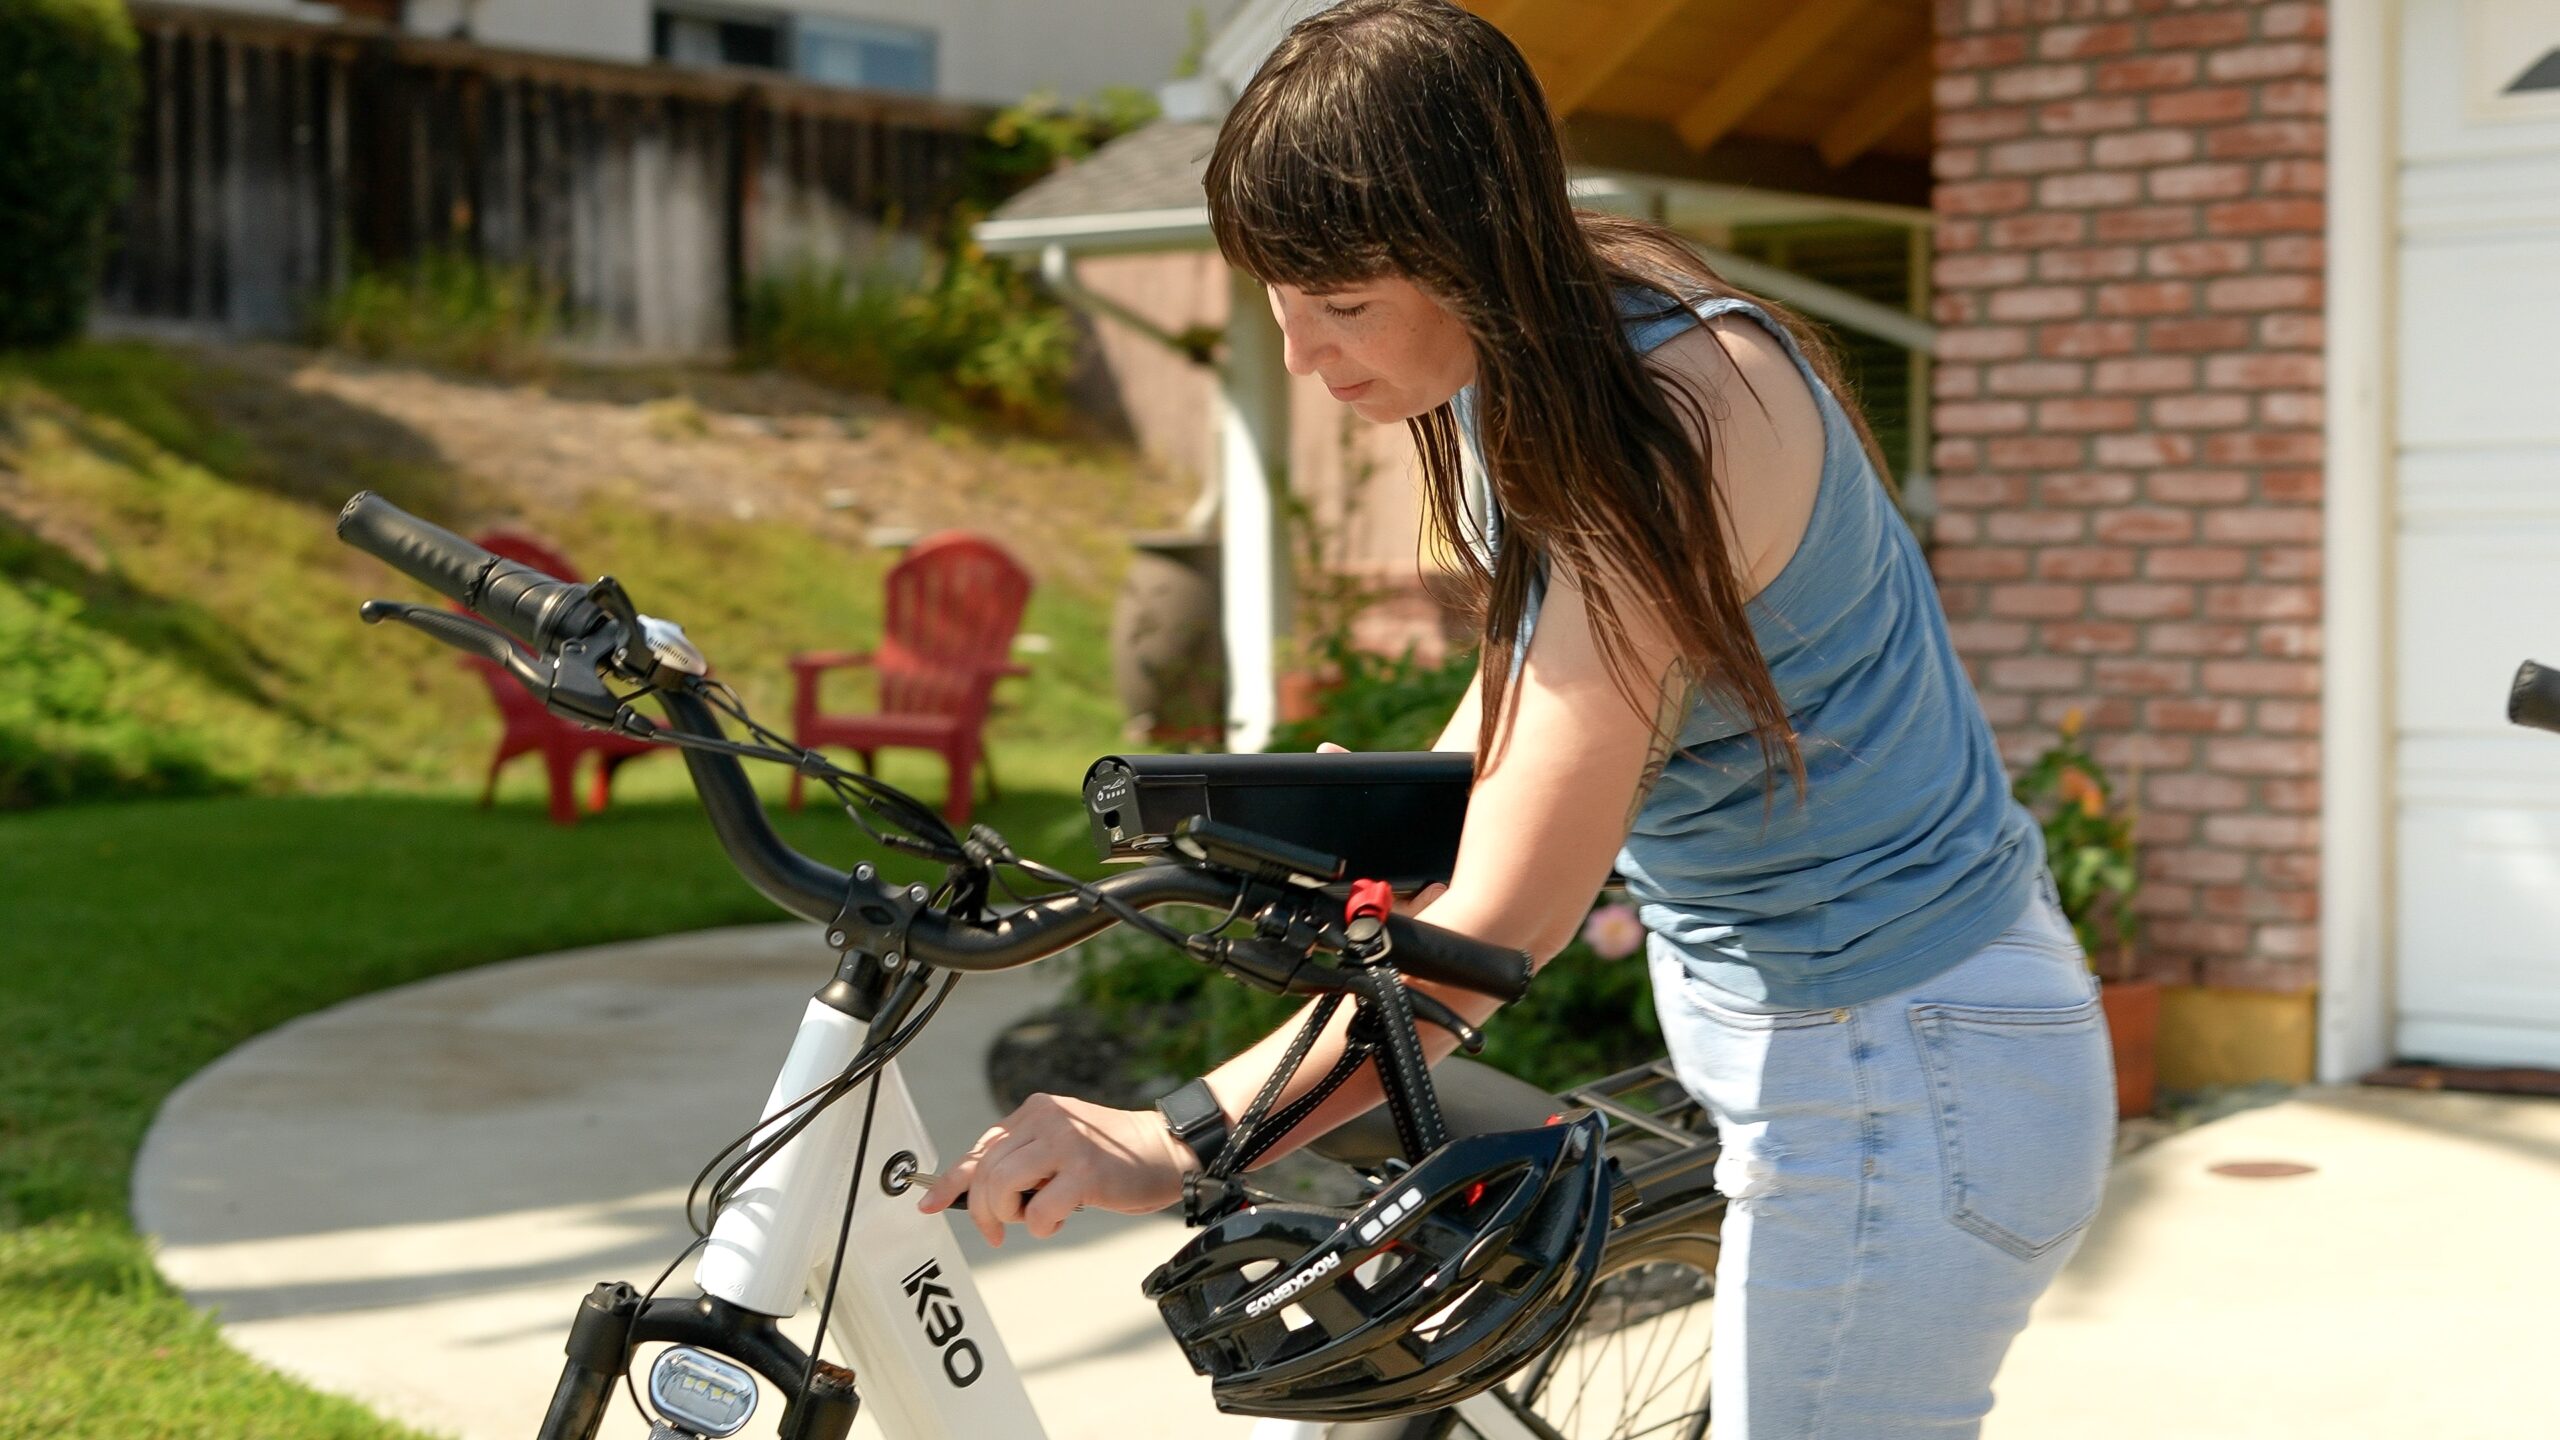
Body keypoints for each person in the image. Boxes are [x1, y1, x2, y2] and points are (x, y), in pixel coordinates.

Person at [919, 1, 2116, 1433]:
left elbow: (1489, 939)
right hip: (1833, 1039)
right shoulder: (1548, 360)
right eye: (1279, 303)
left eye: (1345, 305)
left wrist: (1176, 1137)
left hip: (1908, 1075)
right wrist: (1343, 812)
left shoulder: (1661, 431)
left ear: (1474, 251)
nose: (1303, 356)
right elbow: (1531, 696)